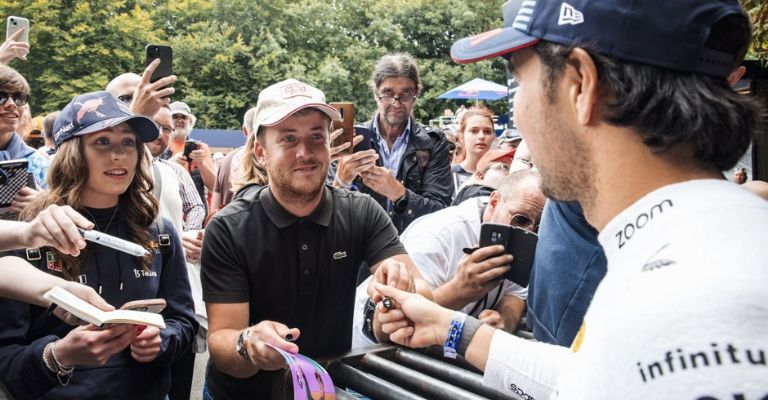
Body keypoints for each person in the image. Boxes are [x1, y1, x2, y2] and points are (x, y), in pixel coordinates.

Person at [376, 0, 768, 398]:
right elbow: (603, 376)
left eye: (519, 79)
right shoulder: (688, 252)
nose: (517, 111)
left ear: (580, 84)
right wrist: (452, 328)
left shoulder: (694, 299)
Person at [201, 78, 427, 399]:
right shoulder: (229, 228)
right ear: (261, 153)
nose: (305, 153)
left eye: (316, 137)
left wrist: (400, 292)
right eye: (289, 139)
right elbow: (221, 339)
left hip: (326, 390)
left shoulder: (361, 212)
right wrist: (249, 343)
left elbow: (420, 290)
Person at [0, 91, 198, 399]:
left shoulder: (159, 231)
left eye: (128, 142)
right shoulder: (32, 232)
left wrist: (162, 340)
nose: (118, 154)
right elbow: (7, 359)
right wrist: (58, 355)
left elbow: (183, 321)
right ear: (73, 153)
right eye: (102, 142)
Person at [353, 169, 543, 348]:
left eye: (541, 226)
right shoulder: (439, 234)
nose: (530, 231)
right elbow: (398, 319)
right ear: (493, 202)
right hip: (367, 351)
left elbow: (516, 294)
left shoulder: (523, 237)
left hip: (437, 351)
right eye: (521, 219)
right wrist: (460, 290)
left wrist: (503, 319)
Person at [331, 53, 452, 233]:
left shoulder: (433, 142)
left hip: (412, 247)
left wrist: (398, 193)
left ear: (416, 93)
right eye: (388, 93)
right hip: (362, 250)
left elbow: (441, 211)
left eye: (406, 93)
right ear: (375, 93)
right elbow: (327, 214)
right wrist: (342, 181)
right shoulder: (351, 141)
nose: (396, 103)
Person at [106, 69, 205, 234]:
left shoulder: (169, 171)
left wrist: (187, 237)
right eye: (126, 98)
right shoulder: (92, 161)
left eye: (166, 128)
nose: (139, 101)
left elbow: (196, 206)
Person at [0, 65, 50, 212]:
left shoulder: (39, 164)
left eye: (18, 98)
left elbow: (69, 213)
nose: (11, 104)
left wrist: (45, 203)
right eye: (1, 97)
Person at [163, 101, 216, 216]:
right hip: (166, 211)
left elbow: (213, 186)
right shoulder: (160, 145)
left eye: (184, 117)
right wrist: (171, 164)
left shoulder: (201, 148)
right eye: (175, 117)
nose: (180, 120)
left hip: (196, 213)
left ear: (190, 121)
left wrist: (201, 163)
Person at [451, 105, 496, 196]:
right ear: (462, 137)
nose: (481, 136)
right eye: (474, 131)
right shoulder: (448, 175)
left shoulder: (501, 173)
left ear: (493, 136)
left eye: (487, 131)